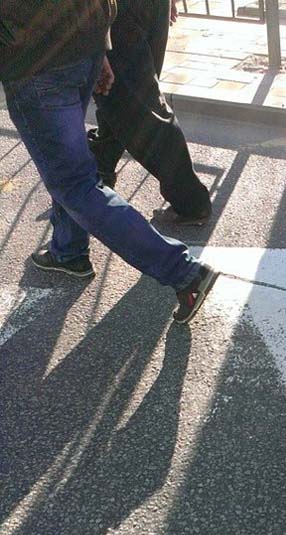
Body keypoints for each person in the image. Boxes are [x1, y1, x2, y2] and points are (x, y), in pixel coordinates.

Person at [0, 0, 218, 324]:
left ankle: (183, 272)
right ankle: (68, 250)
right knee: (67, 158)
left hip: (35, 61)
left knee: (74, 183)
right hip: (83, 41)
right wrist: (100, 45)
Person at [87, 0, 211, 226]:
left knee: (139, 107)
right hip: (142, 8)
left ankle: (191, 200)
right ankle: (99, 169)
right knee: (123, 98)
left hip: (115, 12)